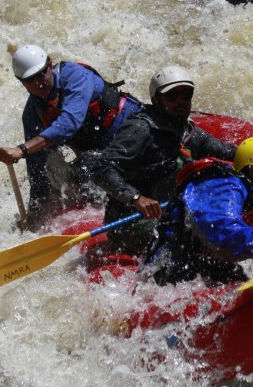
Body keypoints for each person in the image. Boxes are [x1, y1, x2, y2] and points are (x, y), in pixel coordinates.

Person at [88, 65, 236, 255]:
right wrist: (136, 198)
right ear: (156, 100)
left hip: (168, 212)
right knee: (195, 236)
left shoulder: (189, 133)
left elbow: (229, 153)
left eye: (186, 95)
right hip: (133, 219)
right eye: (172, 96)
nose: (180, 101)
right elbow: (102, 168)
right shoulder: (141, 129)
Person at [0, 44, 142, 230]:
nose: (40, 81)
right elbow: (37, 171)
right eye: (31, 79)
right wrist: (34, 216)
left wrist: (22, 149)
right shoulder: (32, 114)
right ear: (22, 82)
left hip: (132, 132)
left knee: (87, 166)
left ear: (50, 65)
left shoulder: (75, 75)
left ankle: (119, 217)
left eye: (42, 73)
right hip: (101, 151)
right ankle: (92, 222)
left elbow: (70, 122)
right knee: (72, 178)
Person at [144, 137, 253, 286]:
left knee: (237, 278)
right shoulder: (226, 187)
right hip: (168, 263)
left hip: (199, 259)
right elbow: (223, 223)